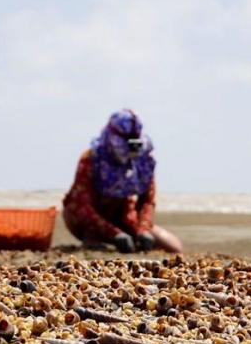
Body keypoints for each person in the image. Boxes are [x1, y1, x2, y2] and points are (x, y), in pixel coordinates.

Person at [62, 108, 183, 254]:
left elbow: (147, 199)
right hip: (89, 217)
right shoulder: (91, 159)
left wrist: (143, 229)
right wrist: (114, 233)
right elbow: (80, 202)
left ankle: (131, 237)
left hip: (122, 215)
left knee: (172, 247)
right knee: (93, 231)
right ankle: (94, 238)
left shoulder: (143, 161)